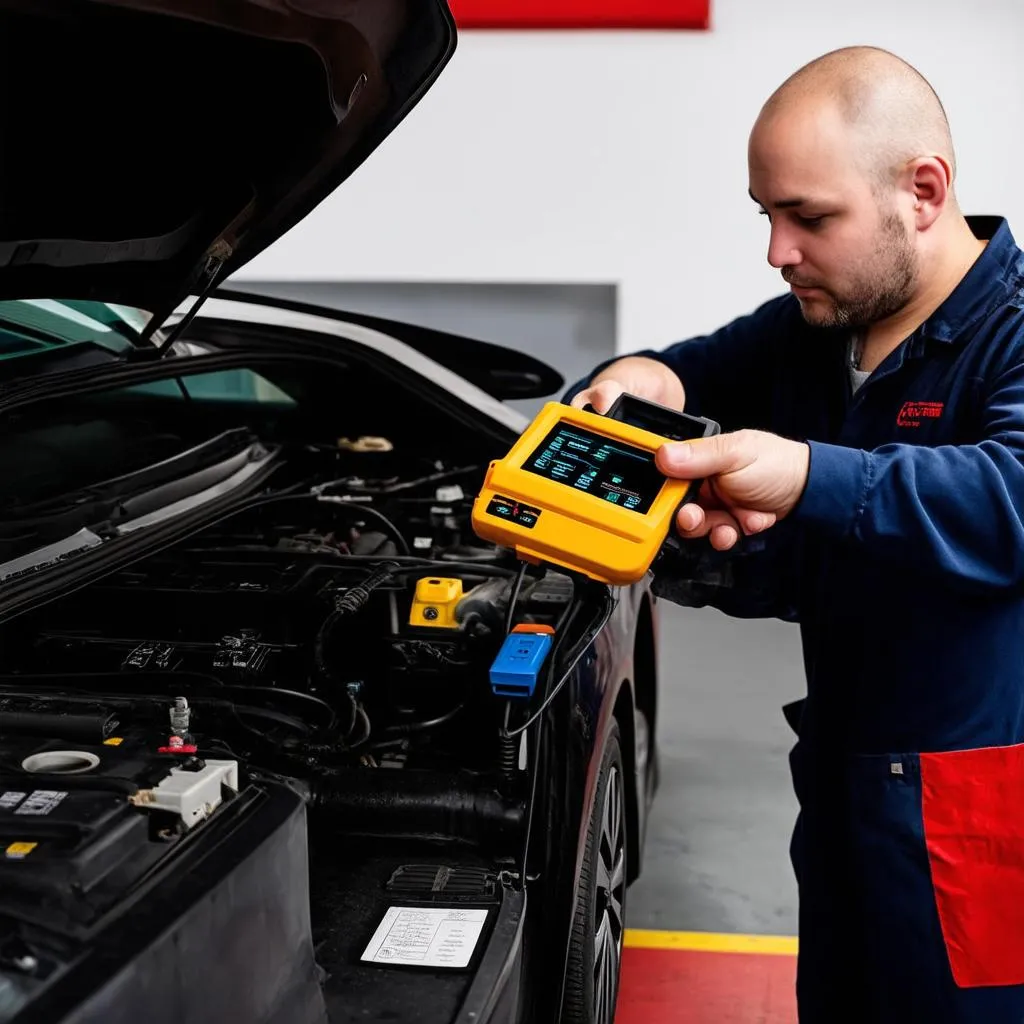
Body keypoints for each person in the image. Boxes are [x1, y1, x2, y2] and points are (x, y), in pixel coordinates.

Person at [567, 46, 1024, 1022]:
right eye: (764, 215)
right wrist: (642, 377)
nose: (776, 251)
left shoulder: (1013, 331)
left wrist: (807, 473)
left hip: (977, 818)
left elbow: (1008, 499)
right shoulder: (818, 325)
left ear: (923, 191)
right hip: (844, 785)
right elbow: (682, 370)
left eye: (808, 217)